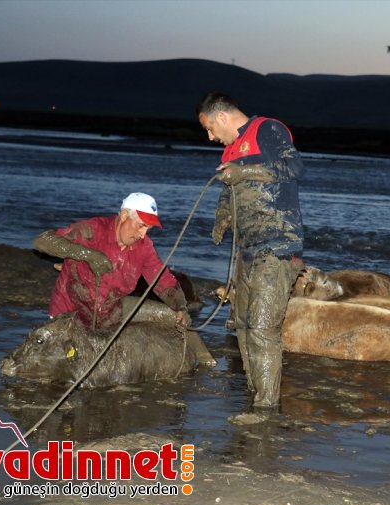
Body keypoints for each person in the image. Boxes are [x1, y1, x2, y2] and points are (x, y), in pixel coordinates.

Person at [196, 92, 305, 409]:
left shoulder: (267, 129)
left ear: (221, 117)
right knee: (242, 325)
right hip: (246, 249)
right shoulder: (230, 150)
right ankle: (257, 398)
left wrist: (244, 172)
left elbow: (294, 167)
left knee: (261, 327)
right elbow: (229, 189)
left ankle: (266, 407)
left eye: (210, 128)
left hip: (277, 245)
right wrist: (223, 217)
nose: (210, 137)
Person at [34, 192, 191, 332]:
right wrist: (89, 255)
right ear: (124, 215)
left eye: (148, 229)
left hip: (107, 320)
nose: (143, 234)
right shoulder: (93, 229)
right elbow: (43, 241)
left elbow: (162, 280)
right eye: (141, 226)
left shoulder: (145, 247)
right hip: (67, 315)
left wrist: (180, 306)